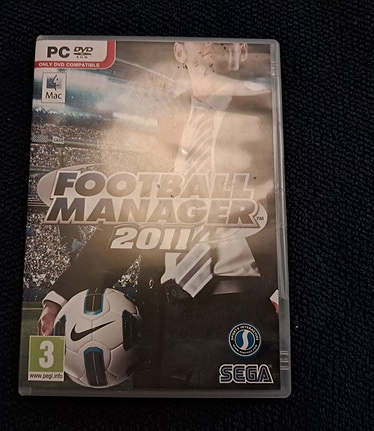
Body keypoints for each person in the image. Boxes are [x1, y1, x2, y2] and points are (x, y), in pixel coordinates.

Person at [38, 41, 279, 389]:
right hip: (163, 314)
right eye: (199, 38)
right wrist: (61, 296)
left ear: (242, 50)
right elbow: (132, 216)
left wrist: (283, 288)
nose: (211, 45)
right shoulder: (164, 123)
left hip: (246, 303)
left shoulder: (269, 113)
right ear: (180, 52)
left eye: (225, 39)